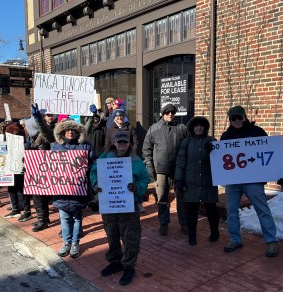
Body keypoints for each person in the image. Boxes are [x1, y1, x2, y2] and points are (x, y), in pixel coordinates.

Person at [90, 131, 150, 286]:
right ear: (114, 143)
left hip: (129, 206)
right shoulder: (104, 158)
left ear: (129, 143)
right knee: (112, 235)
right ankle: (115, 261)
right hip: (109, 205)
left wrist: (137, 187)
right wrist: (96, 184)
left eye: (125, 141)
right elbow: (94, 172)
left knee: (130, 237)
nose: (122, 144)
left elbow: (145, 178)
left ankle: (129, 266)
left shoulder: (136, 161)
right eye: (119, 142)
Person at [219, 105, 279, 257]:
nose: (237, 120)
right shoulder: (226, 136)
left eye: (240, 117)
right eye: (233, 118)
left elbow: (270, 151)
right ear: (230, 120)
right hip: (233, 181)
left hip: (253, 180)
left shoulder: (256, 132)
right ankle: (235, 239)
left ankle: (271, 241)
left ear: (244, 117)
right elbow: (220, 158)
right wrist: (212, 151)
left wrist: (282, 171)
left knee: (262, 209)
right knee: (231, 211)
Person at [142, 103, 188, 236]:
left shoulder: (182, 128)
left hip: (179, 169)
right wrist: (150, 167)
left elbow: (188, 145)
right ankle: (163, 223)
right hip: (161, 169)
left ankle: (184, 223)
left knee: (182, 197)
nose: (170, 114)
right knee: (162, 197)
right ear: (163, 113)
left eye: (172, 112)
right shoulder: (154, 129)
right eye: (167, 112)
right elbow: (146, 150)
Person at [52, 119, 94, 258]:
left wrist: (88, 164)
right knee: (64, 218)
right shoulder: (55, 146)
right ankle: (66, 243)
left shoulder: (85, 146)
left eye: (73, 130)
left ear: (78, 132)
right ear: (62, 132)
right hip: (61, 191)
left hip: (78, 190)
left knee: (77, 218)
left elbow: (93, 164)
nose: (70, 132)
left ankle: (75, 243)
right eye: (67, 130)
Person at [174, 116, 220, 245]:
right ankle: (192, 234)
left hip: (208, 180)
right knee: (191, 211)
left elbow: (219, 161)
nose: (199, 128)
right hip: (191, 181)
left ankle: (215, 232)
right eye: (196, 126)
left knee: (211, 209)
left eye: (201, 126)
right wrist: (179, 179)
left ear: (205, 128)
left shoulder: (211, 141)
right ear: (192, 128)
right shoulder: (186, 142)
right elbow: (180, 162)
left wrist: (212, 152)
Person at [30, 104, 58, 232]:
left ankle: (67, 225)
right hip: (41, 164)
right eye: (47, 114)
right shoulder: (40, 131)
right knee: (37, 193)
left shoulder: (58, 128)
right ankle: (42, 219)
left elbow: (47, 134)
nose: (50, 116)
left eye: (51, 114)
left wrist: (38, 119)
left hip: (55, 164)